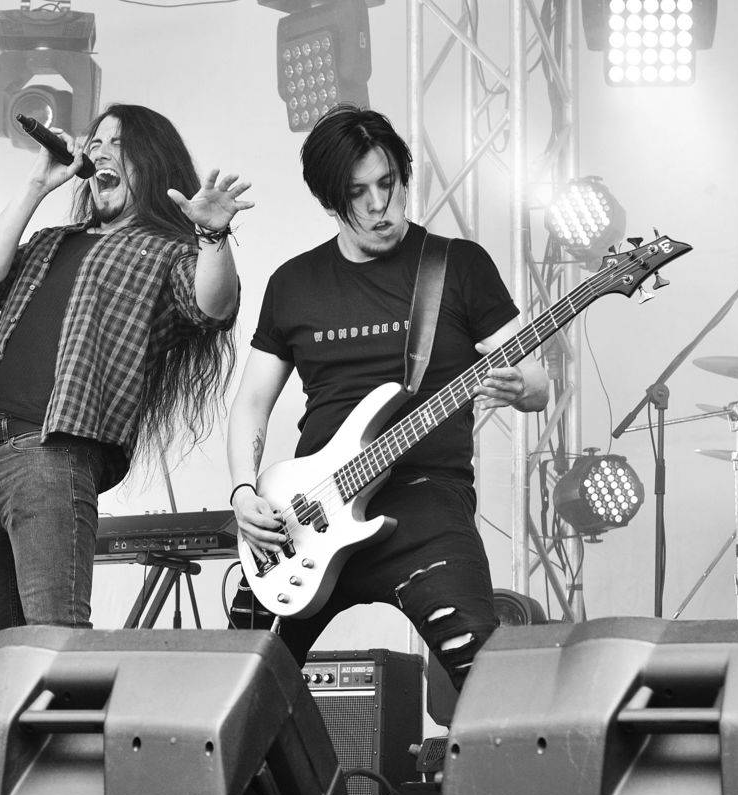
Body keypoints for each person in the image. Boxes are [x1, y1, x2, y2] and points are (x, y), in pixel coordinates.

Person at [226, 104, 549, 690]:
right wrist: (244, 490)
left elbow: (537, 383)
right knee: (237, 690)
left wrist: (520, 386)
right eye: (358, 193)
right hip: (307, 515)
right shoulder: (293, 283)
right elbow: (251, 402)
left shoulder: (456, 266)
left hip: (426, 502)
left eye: (389, 183)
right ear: (328, 200)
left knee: (484, 677)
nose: (380, 204)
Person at [0, 103, 253, 632]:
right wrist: (36, 186)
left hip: (49, 454)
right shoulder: (51, 241)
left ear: (152, 163)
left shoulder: (165, 251)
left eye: (120, 144)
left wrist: (211, 236)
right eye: (95, 143)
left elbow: (214, 307)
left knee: (56, 644)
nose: (100, 152)